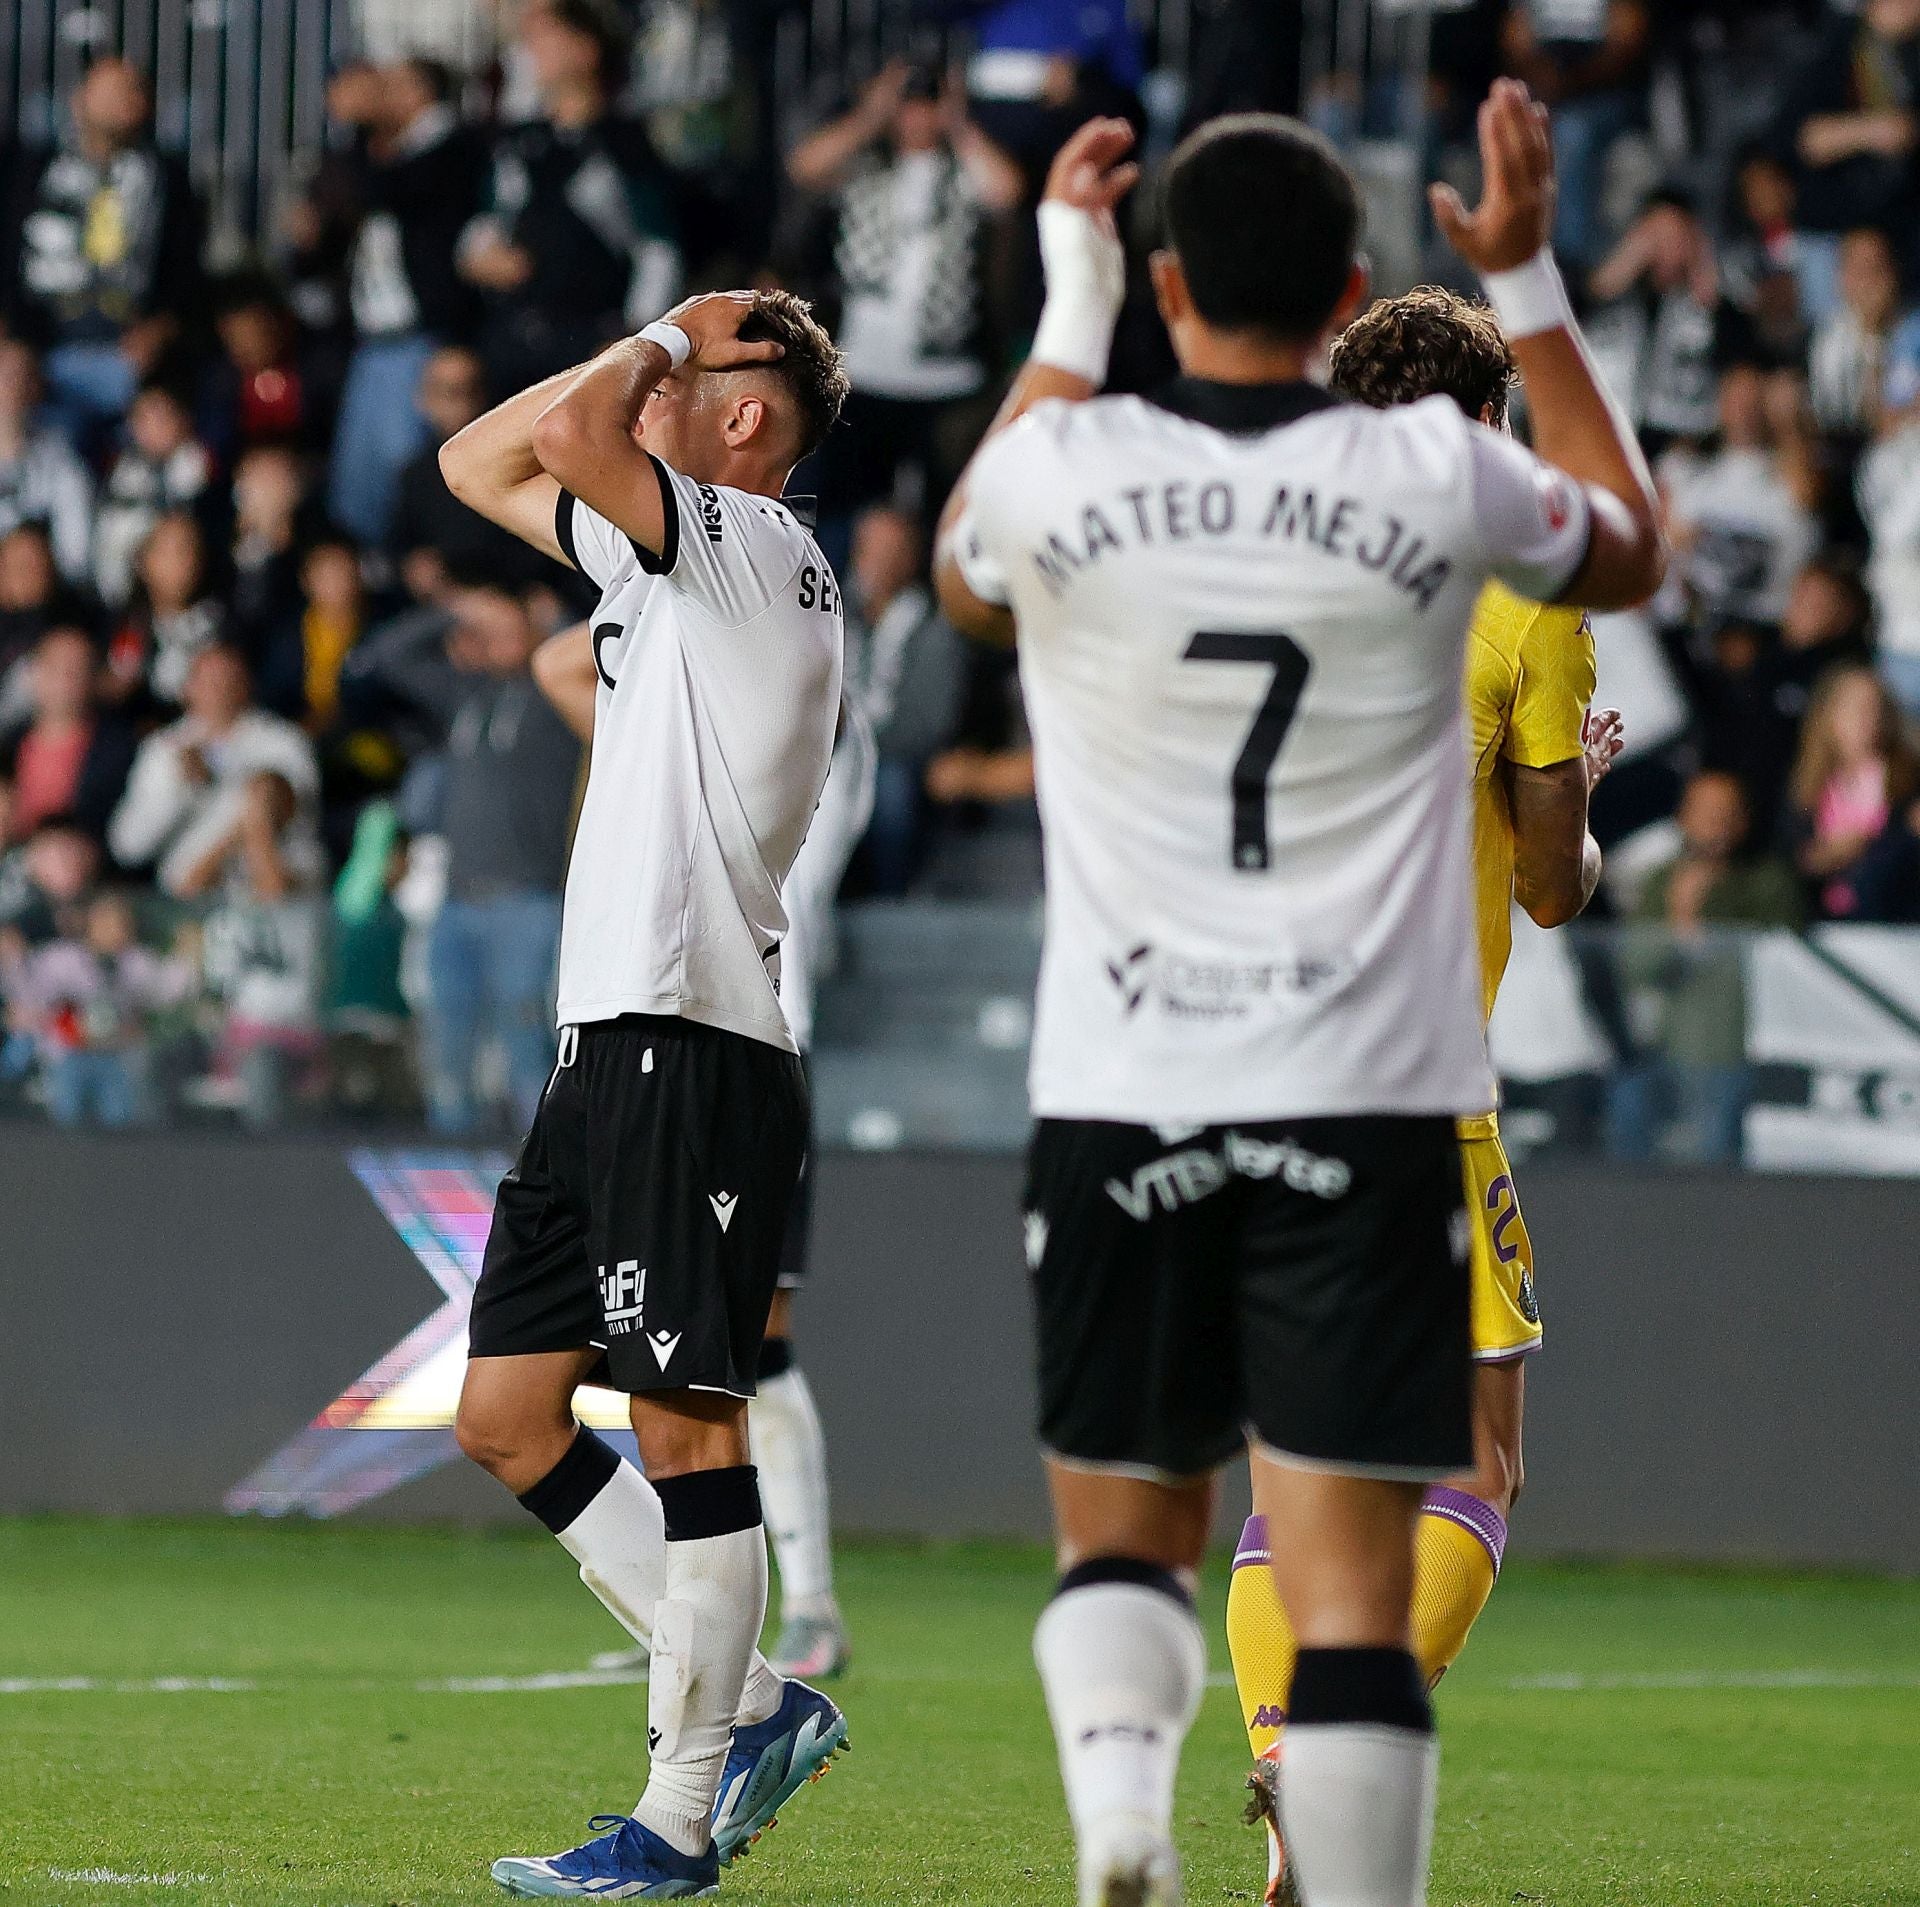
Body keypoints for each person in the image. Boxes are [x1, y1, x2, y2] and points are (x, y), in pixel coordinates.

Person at [934, 94, 1664, 1907]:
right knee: (1353, 1576)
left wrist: (1066, 292)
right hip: (1371, 1090)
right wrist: (1524, 267)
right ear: (1348, 280)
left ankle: (1122, 1809)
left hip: (1122, 1078)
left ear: (1171, 290)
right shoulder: (1443, 491)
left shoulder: (1072, 478)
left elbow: (960, 563)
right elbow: (1635, 544)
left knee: (1131, 1525)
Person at [439, 285, 853, 1898]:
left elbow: (562, 433)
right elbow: (485, 460)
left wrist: (670, 337)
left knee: (688, 1422)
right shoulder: (661, 553)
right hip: (603, 1039)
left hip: (696, 1038)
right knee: (508, 1416)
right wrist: (666, 340)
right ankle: (750, 1700)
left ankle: (680, 1816)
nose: (662, 378)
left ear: (744, 417)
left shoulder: (757, 550)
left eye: (700, 374)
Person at [1218, 284, 1623, 1905]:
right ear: (1485, 426)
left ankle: (1274, 1736)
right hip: (1410, 1085)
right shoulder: (1521, 589)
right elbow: (1550, 890)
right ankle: (1330, 1758)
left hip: (1238, 1079)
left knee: (1292, 1476)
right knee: (1477, 1459)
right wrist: (1577, 788)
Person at [357, 571, 581, 1135]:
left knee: (528, 1050)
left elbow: (600, 645)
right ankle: (451, 1165)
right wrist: (459, 605)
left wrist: (542, 625)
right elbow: (387, 656)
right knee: (447, 1050)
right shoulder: (467, 693)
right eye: (490, 626)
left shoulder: (557, 692)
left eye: (510, 622)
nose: (497, 634)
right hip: (456, 904)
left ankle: (541, 1176)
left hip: (527, 902)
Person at [787, 60, 1024, 537]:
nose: (918, 114)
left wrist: (958, 123)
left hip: (946, 378)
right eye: (909, 103)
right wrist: (873, 113)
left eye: (927, 102)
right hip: (863, 374)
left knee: (944, 518)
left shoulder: (964, 171)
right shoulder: (866, 166)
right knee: (850, 511)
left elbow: (1007, 191)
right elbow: (804, 166)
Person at [458, 0, 683, 396]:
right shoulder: (520, 142)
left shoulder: (625, 144)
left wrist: (637, 338)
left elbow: (658, 249)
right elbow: (488, 220)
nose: (531, 51)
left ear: (586, 49)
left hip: (592, 344)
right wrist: (483, 257)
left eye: (545, 38)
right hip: (514, 340)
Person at [2, 58, 206, 455]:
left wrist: (159, 331)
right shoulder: (30, 170)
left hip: (128, 357)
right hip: (39, 348)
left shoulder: (168, 179)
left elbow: (187, 275)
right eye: (112, 92)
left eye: (134, 91)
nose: (125, 102)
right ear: (80, 100)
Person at [326, 58, 485, 547]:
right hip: (375, 344)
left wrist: (356, 127)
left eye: (390, 86)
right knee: (357, 483)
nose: (379, 96)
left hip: (419, 341)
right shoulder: (395, 156)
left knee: (406, 471)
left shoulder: (449, 149)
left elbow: (380, 190)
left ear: (419, 92)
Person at [1610, 770, 1803, 1166]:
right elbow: (1635, 967)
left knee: (1712, 1164)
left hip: (1736, 1052)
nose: (1715, 824)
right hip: (1663, 1049)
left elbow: (1786, 965)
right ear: (1683, 818)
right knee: (1626, 1125)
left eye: (1725, 813)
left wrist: (1701, 921)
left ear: (1743, 820)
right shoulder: (1662, 880)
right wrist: (1679, 921)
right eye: (1705, 812)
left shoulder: (1766, 882)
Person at [108, 643, 321, 900]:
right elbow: (129, 847)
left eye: (227, 679)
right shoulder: (164, 749)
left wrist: (228, 793)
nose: (218, 690)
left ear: (246, 685)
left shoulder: (284, 743)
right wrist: (181, 790)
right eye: (206, 680)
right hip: (190, 903)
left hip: (276, 890)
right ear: (187, 688)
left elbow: (293, 815)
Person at [1784, 663, 1920, 922]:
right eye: (1854, 707)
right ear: (1828, 715)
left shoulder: (1910, 779)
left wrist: (1864, 845)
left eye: (1875, 707)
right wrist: (1818, 858)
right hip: (1824, 925)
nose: (1866, 718)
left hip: (1894, 925)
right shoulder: (1807, 784)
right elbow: (1791, 855)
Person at [0, 624, 136, 844]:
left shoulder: (118, 750)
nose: (64, 679)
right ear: (33, 672)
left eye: (75, 668)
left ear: (94, 678)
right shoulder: (8, 744)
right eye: (55, 666)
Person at [0, 339, 94, 583]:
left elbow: (75, 556)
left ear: (36, 387)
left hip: (45, 598)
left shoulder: (62, 461)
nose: (13, 387)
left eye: (22, 376)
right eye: (5, 375)